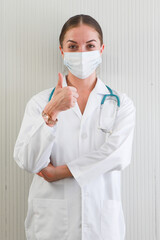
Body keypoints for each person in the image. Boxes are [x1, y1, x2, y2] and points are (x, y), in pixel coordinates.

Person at [13, 14, 136, 240]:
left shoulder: (120, 103)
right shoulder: (40, 103)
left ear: (101, 49)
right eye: (73, 46)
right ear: (62, 51)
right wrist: (52, 112)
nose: (82, 53)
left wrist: (58, 172)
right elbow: (29, 162)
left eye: (90, 45)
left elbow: (118, 156)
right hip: (52, 224)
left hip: (101, 223)